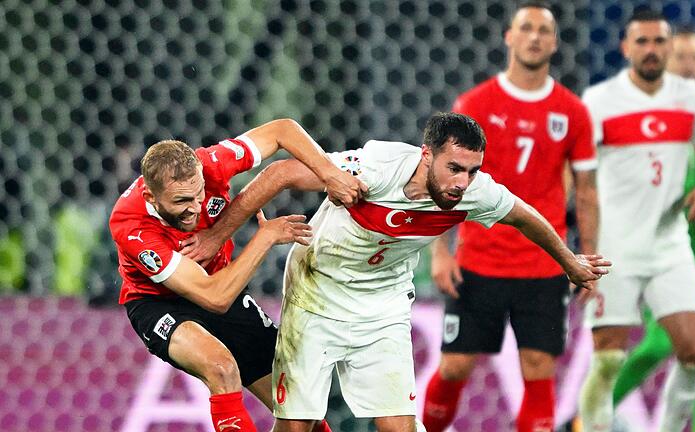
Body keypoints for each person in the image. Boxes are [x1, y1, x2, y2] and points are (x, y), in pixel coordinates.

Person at [199, 112, 610, 432]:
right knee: (296, 424)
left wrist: (569, 261)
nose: (463, 183)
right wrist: (217, 237)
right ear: (426, 155)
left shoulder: (474, 192)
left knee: (398, 424)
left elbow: (525, 218)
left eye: (472, 171)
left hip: (383, 307)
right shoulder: (377, 168)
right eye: (454, 168)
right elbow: (281, 172)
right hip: (316, 295)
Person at [109, 118, 366, 432]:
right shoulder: (131, 225)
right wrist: (265, 237)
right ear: (151, 197)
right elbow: (214, 298)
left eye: (199, 195)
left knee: (301, 407)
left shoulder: (212, 162)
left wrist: (331, 175)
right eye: (181, 202)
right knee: (221, 368)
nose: (194, 209)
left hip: (220, 283)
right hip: (161, 305)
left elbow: (282, 130)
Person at [419, 2, 598, 432]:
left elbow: (587, 191)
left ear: (555, 42)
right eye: (526, 28)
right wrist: (441, 254)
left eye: (544, 30)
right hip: (480, 262)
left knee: (539, 366)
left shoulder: (572, 112)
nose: (535, 36)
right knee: (456, 365)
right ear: (509, 37)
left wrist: (586, 257)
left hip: (543, 264)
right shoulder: (476, 103)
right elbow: (440, 180)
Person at [577, 9, 695, 432]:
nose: (651, 50)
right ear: (626, 48)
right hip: (615, 246)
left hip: (670, 245)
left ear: (669, 48)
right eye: (642, 42)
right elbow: (582, 181)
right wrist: (585, 252)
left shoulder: (691, 98)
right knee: (608, 361)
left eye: (659, 42)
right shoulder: (600, 101)